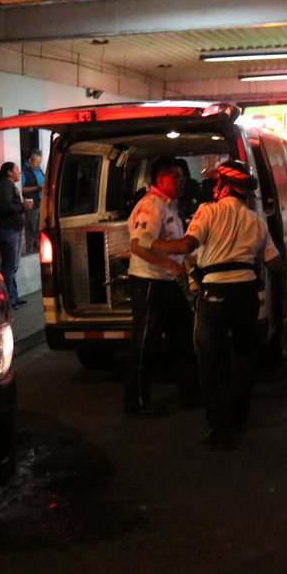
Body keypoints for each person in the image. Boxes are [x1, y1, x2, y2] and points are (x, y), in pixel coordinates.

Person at [145, 159, 280, 450]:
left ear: (226, 187)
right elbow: (274, 262)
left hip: (214, 296)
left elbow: (186, 246)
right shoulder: (256, 220)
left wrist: (151, 243)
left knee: (211, 362)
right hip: (246, 296)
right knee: (243, 357)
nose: (214, 187)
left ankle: (220, 429)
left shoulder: (208, 211)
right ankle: (239, 414)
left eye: (217, 182)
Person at [123, 157, 198, 417]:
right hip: (149, 282)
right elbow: (138, 245)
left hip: (166, 282)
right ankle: (137, 402)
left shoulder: (168, 206)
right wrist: (170, 265)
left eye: (183, 177)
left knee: (185, 335)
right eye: (177, 177)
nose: (182, 182)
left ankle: (191, 392)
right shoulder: (151, 206)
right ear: (161, 178)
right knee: (145, 342)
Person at [0, 161, 31, 306]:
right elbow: (6, 207)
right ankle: (9, 299)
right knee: (9, 267)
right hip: (8, 231)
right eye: (17, 170)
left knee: (12, 265)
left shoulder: (8, 186)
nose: (19, 172)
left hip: (12, 230)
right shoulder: (5, 186)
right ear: (9, 172)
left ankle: (13, 296)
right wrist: (23, 207)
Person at [21, 150, 44, 253]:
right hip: (31, 204)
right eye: (37, 162)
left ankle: (35, 249)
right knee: (33, 228)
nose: (39, 164)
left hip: (40, 203)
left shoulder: (39, 170)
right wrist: (37, 187)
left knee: (38, 227)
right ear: (30, 160)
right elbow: (21, 189)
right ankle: (32, 250)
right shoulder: (24, 172)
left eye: (40, 162)